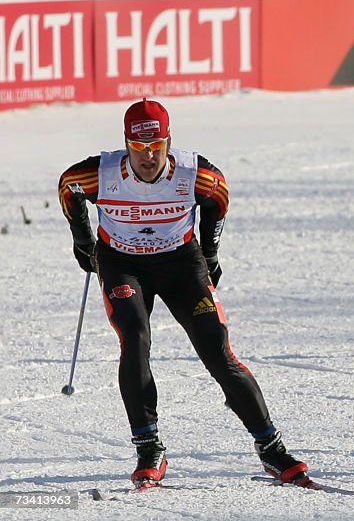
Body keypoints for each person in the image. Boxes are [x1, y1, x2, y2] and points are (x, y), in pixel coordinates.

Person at [57, 99, 312, 487]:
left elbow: (218, 200)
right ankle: (148, 447)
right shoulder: (101, 172)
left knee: (218, 349)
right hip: (123, 263)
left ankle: (271, 448)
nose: (147, 157)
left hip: (180, 264)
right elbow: (67, 187)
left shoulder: (196, 174)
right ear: (126, 144)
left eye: (156, 148)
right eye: (139, 148)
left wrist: (209, 252)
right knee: (135, 339)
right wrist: (83, 242)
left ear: (169, 142)